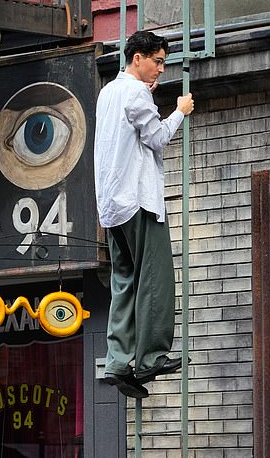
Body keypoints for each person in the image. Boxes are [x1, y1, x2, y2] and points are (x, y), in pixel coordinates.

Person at [94, 30, 195, 398]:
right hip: (137, 199)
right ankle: (152, 356)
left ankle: (118, 362)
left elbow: (127, 129)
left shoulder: (109, 92)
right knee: (155, 279)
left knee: (125, 282)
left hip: (111, 206)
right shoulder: (135, 93)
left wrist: (147, 99)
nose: (160, 70)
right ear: (137, 58)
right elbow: (157, 138)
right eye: (157, 61)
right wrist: (179, 112)